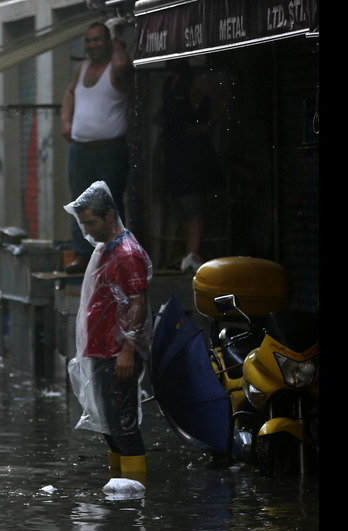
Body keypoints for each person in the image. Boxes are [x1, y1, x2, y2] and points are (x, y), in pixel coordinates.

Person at [64, 181, 152, 487]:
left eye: (92, 222)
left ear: (110, 216)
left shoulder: (126, 254)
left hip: (118, 354)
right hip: (103, 352)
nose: (87, 231)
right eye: (83, 223)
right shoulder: (107, 250)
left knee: (123, 427)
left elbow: (138, 302)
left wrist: (127, 349)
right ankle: (120, 490)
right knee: (111, 427)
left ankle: (134, 500)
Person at [61, 21, 132, 273]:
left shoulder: (116, 66)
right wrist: (66, 120)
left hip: (109, 149)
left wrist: (116, 43)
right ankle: (82, 255)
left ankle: (115, 254)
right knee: (80, 203)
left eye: (97, 40)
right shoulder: (81, 68)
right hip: (80, 149)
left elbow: (124, 64)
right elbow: (70, 93)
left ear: (108, 42)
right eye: (88, 41)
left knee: (109, 205)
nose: (92, 45)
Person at [160, 59, 229, 272]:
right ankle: (188, 253)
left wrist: (206, 126)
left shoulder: (197, 80)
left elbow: (225, 97)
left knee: (192, 203)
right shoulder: (168, 83)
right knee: (179, 203)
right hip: (173, 150)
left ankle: (194, 253)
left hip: (192, 151)